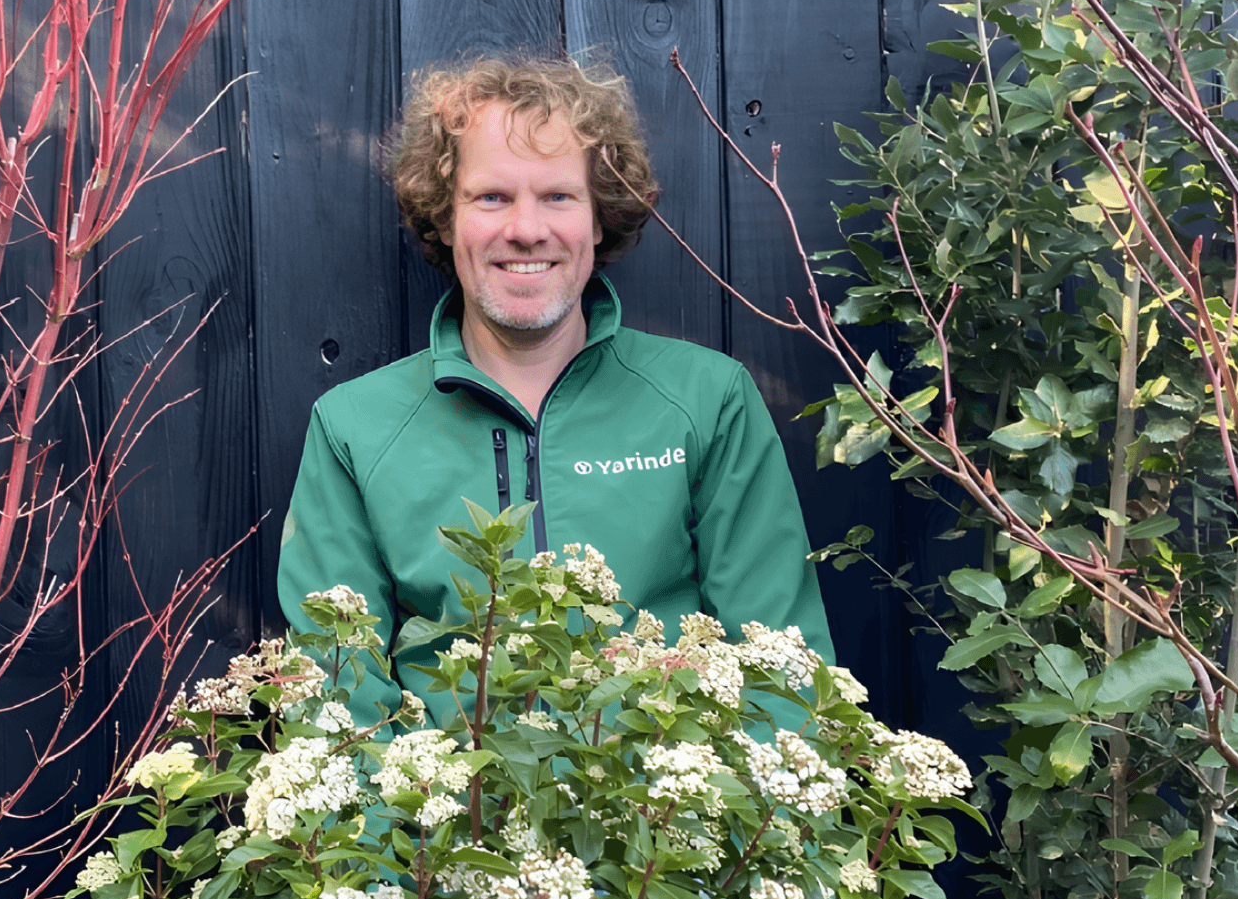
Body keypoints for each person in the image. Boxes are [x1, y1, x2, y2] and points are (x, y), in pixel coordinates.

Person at [276, 53, 832, 726]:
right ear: (445, 217)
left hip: (670, 824)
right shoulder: (354, 430)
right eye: (492, 197)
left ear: (599, 218)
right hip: (451, 824)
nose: (527, 229)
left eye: (558, 196)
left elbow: (781, 671)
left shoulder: (708, 401)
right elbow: (338, 704)